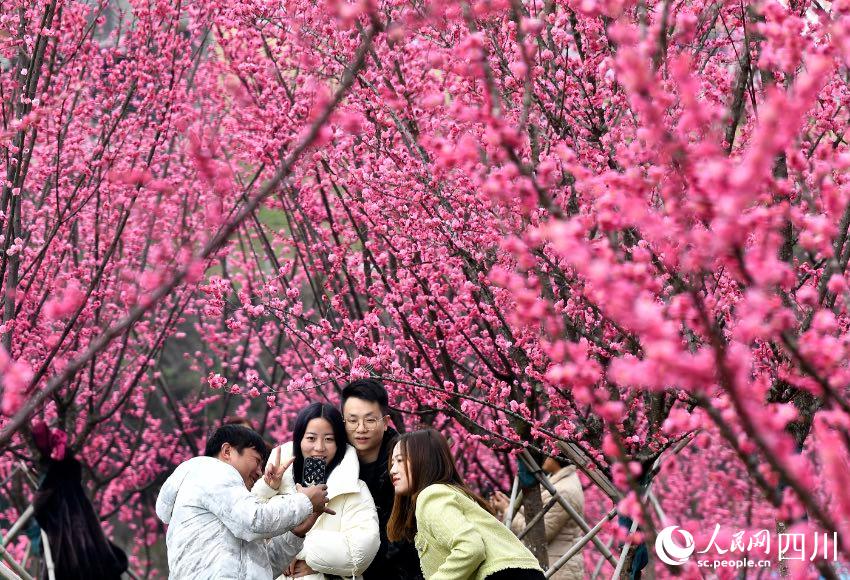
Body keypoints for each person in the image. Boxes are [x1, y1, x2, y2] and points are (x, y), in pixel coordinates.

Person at [156, 425, 331, 580]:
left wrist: (294, 534)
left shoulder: (225, 499)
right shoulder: (211, 471)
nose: (259, 472)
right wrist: (305, 501)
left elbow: (262, 569)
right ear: (227, 452)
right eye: (256, 460)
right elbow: (255, 521)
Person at [388, 429, 545, 580]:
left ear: (423, 460)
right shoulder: (452, 493)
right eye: (392, 462)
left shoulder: (432, 495)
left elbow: (470, 547)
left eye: (400, 460)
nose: (392, 470)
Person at [253, 402, 380, 579]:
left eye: (329, 439)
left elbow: (359, 553)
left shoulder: (354, 489)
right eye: (311, 438)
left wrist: (297, 552)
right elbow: (249, 531)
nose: (319, 447)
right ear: (299, 440)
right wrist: (268, 488)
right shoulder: (275, 486)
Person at [340, 378, 422, 580]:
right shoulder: (335, 461)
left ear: (385, 422)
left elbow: (403, 534)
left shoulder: (406, 463)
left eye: (369, 420)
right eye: (352, 420)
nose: (360, 429)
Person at [490, 457, 586, 579]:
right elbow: (538, 513)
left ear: (559, 457)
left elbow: (540, 533)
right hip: (557, 564)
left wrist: (506, 511)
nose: (543, 458)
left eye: (548, 453)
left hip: (558, 569)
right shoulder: (560, 481)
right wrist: (509, 505)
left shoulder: (564, 490)